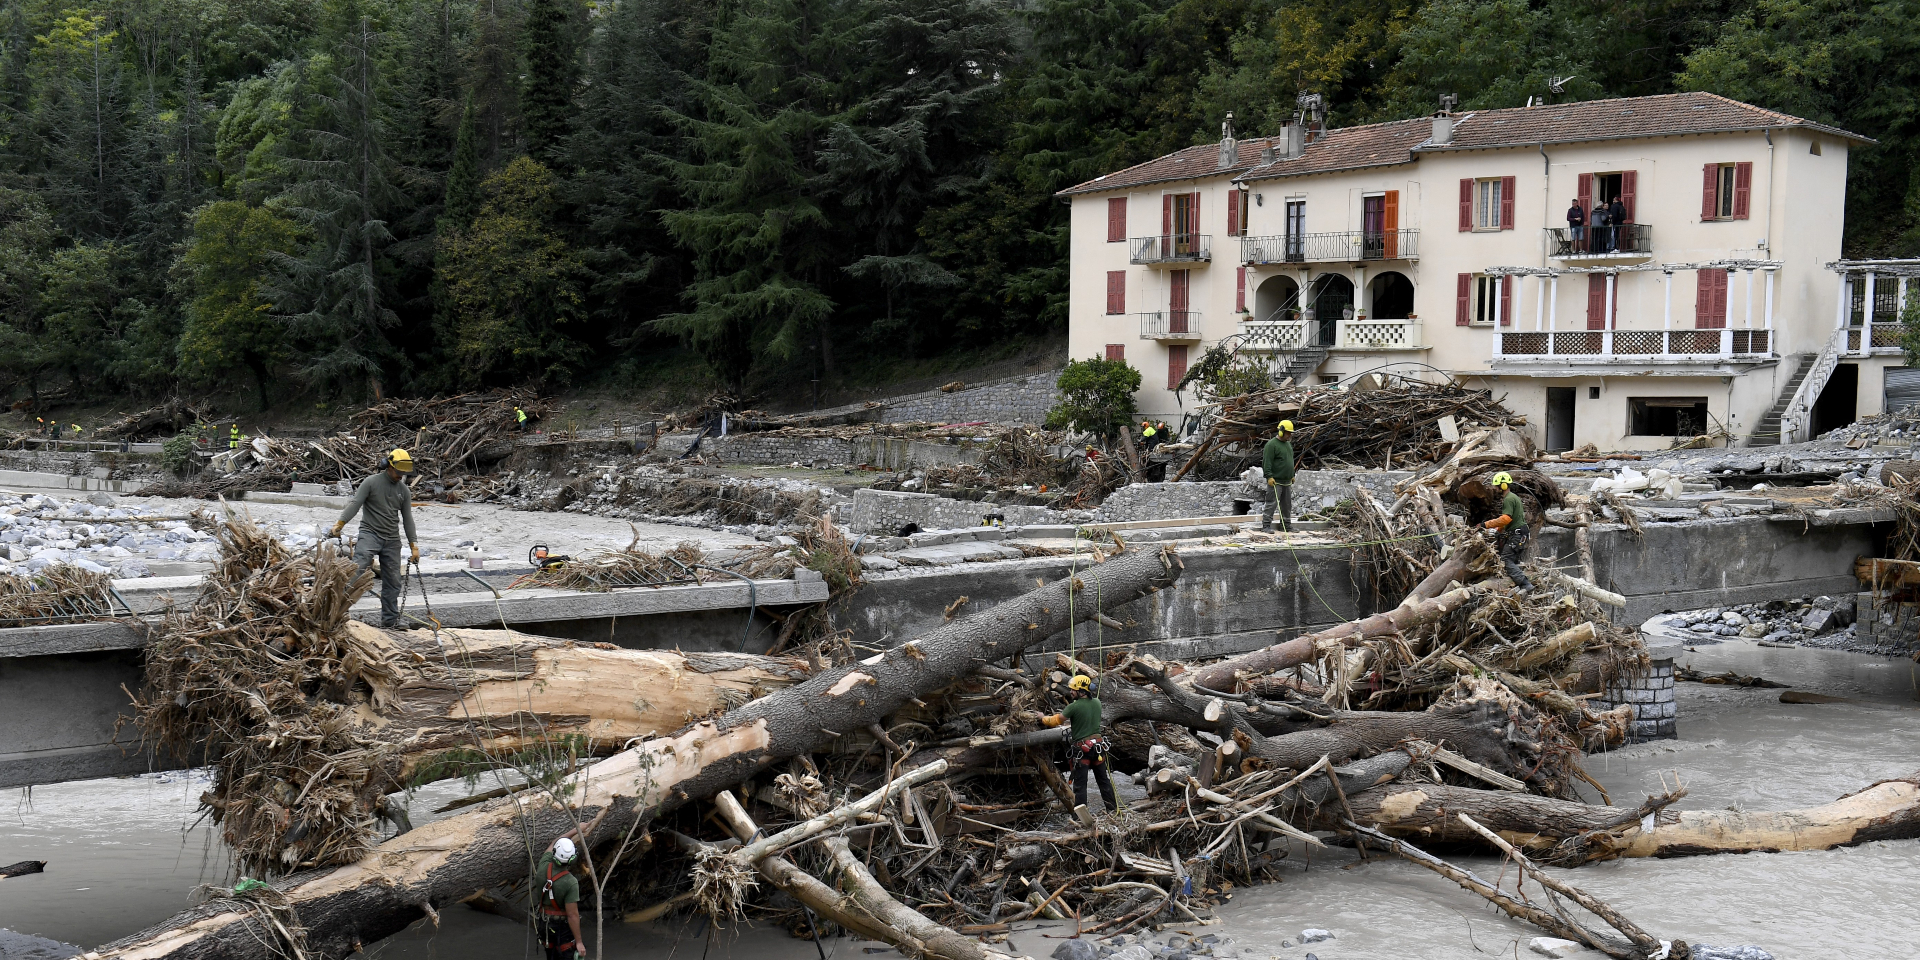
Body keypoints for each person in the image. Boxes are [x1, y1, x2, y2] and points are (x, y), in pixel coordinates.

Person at [329, 449, 421, 628]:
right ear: (388, 466)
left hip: (392, 539)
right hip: (370, 534)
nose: (400, 476)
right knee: (357, 569)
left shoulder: (404, 491)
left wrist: (414, 546)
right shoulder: (371, 482)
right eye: (397, 472)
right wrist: (340, 524)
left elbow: (408, 519)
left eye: (403, 473)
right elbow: (355, 504)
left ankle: (390, 621)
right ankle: (337, 614)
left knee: (393, 581)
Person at [1042, 674, 1120, 815]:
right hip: (1098, 749)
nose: (1070, 692)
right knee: (1103, 781)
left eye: (1073, 690)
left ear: (1082, 691)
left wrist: (1042, 718)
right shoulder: (1097, 702)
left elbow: (1056, 721)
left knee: (1080, 785)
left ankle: (1081, 818)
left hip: (1083, 751)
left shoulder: (1074, 707)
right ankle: (1112, 810)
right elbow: (1085, 718)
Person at [535, 832, 588, 960]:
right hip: (561, 928)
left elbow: (553, 843)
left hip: (544, 925)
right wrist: (579, 942)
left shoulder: (543, 866)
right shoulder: (570, 882)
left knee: (551, 955)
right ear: (572, 859)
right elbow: (572, 915)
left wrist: (574, 830)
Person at [1483, 472, 1534, 590]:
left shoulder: (1509, 499)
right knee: (1511, 559)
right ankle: (1514, 585)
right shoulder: (1512, 497)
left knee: (1505, 559)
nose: (1495, 489)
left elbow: (1506, 518)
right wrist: (1498, 530)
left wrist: (1486, 524)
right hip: (1519, 533)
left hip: (1518, 535)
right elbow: (1509, 521)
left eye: (1496, 486)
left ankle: (1525, 583)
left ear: (1503, 486)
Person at [1261, 420, 1295, 533]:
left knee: (1287, 505)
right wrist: (1269, 476)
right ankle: (1266, 525)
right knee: (1272, 503)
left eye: (1290, 433)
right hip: (1276, 481)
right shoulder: (1271, 445)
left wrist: (1292, 475)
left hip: (1287, 481)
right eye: (1288, 433)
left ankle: (1286, 526)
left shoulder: (1288, 445)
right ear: (1281, 431)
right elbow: (1267, 462)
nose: (1290, 435)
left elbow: (1290, 461)